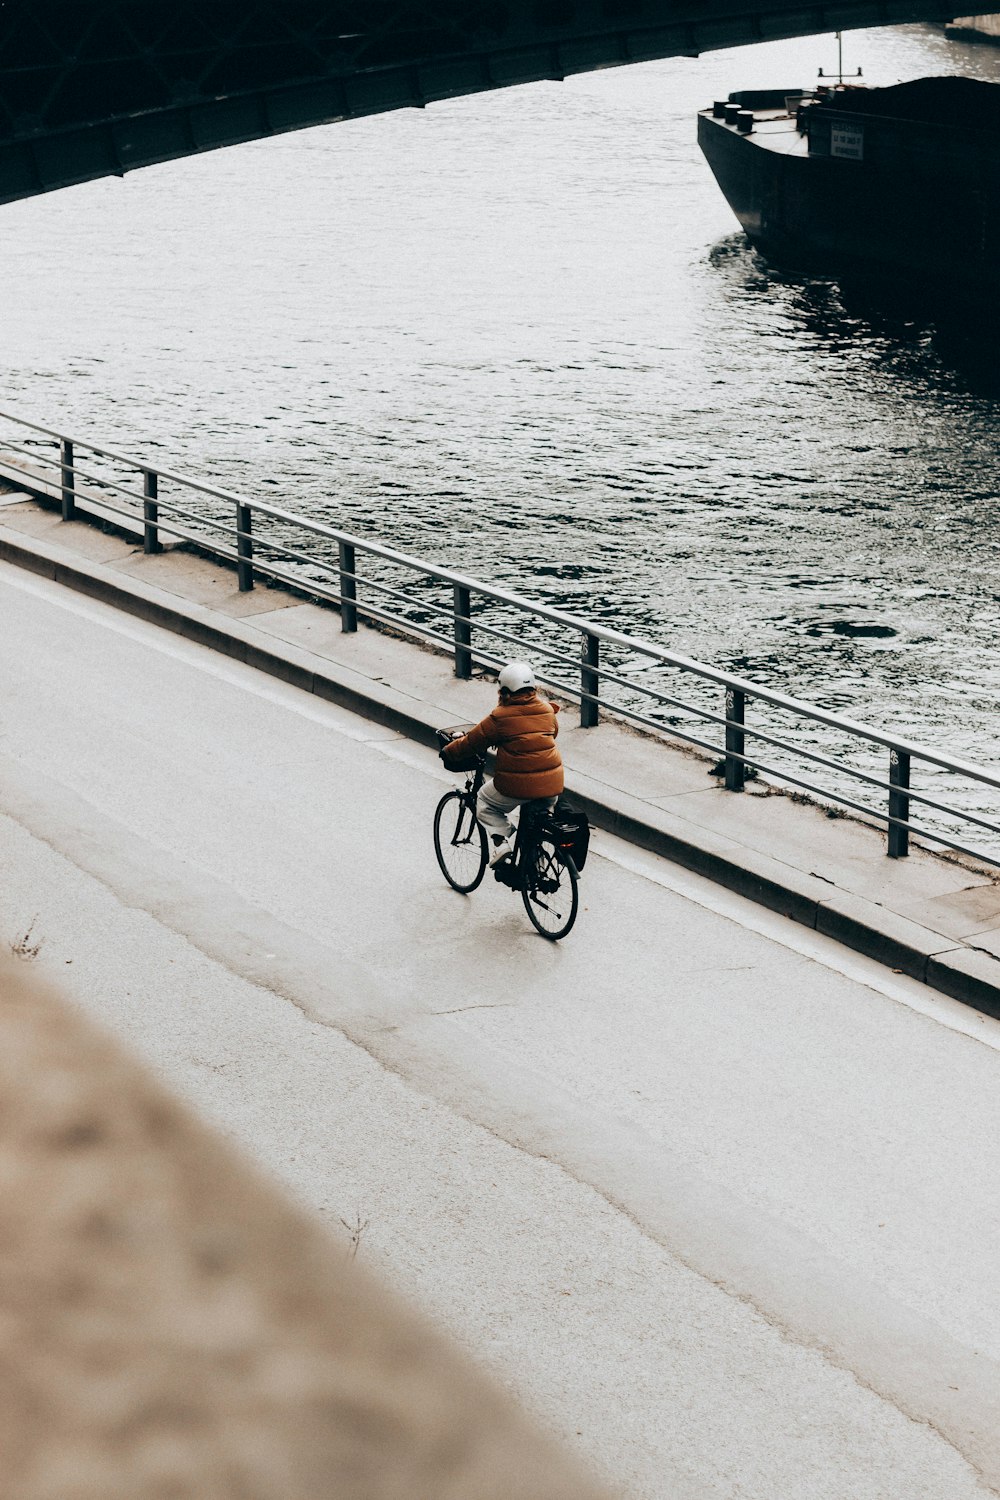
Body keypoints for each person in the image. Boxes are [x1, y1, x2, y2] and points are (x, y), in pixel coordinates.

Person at [442, 661, 564, 866]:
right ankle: (535, 862)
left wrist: (448, 752)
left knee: (485, 802)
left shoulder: (500, 717)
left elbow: (472, 743)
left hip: (517, 787)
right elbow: (552, 734)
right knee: (536, 819)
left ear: (504, 690)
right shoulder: (547, 710)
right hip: (552, 787)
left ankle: (501, 844)